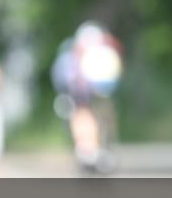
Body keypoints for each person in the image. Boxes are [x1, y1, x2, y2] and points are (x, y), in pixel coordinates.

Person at [52, 22, 123, 169]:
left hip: (99, 96)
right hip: (78, 99)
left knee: (105, 116)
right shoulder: (69, 59)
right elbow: (65, 81)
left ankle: (103, 148)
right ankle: (87, 150)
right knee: (82, 116)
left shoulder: (103, 55)